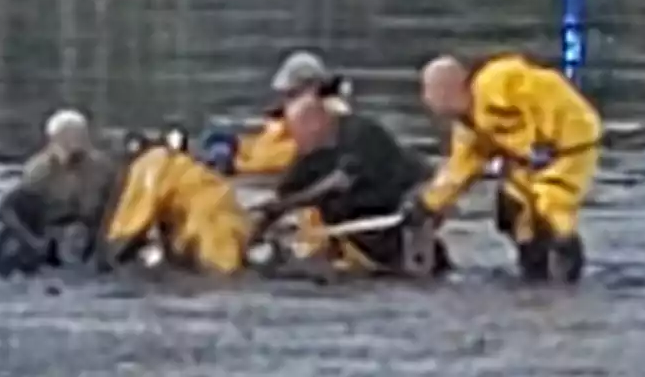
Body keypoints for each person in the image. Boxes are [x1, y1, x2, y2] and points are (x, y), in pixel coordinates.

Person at [403, 53, 602, 284]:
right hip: (525, 159)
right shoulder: (470, 129)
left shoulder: (496, 81)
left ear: (448, 88)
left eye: (430, 91)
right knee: (513, 210)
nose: (427, 99)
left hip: (567, 147)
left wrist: (543, 136)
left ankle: (567, 272)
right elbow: (460, 171)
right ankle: (533, 272)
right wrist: (427, 205)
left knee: (551, 206)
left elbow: (543, 91)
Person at [249, 85, 451, 279]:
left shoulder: (360, 133)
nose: (296, 140)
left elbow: (341, 181)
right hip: (363, 234)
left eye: (298, 132)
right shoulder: (309, 157)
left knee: (415, 270)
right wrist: (254, 235)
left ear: (317, 121)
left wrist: (290, 203)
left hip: (403, 212)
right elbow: (282, 198)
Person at [98, 124, 253, 275]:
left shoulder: (149, 164)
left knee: (215, 280)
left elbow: (132, 225)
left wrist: (109, 264)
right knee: (229, 275)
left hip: (207, 226)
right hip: (232, 223)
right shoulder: (189, 167)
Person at [0, 108, 120, 276]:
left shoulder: (103, 169)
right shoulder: (39, 170)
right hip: (47, 233)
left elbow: (117, 204)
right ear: (53, 140)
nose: (73, 143)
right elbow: (9, 210)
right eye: (66, 138)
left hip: (89, 232)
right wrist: (34, 242)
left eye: (78, 136)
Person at [202, 50, 353, 177]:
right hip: (263, 156)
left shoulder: (321, 120)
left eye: (290, 94)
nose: (283, 99)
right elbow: (264, 144)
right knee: (216, 138)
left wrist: (231, 165)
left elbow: (269, 161)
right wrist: (235, 144)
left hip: (269, 166)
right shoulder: (286, 118)